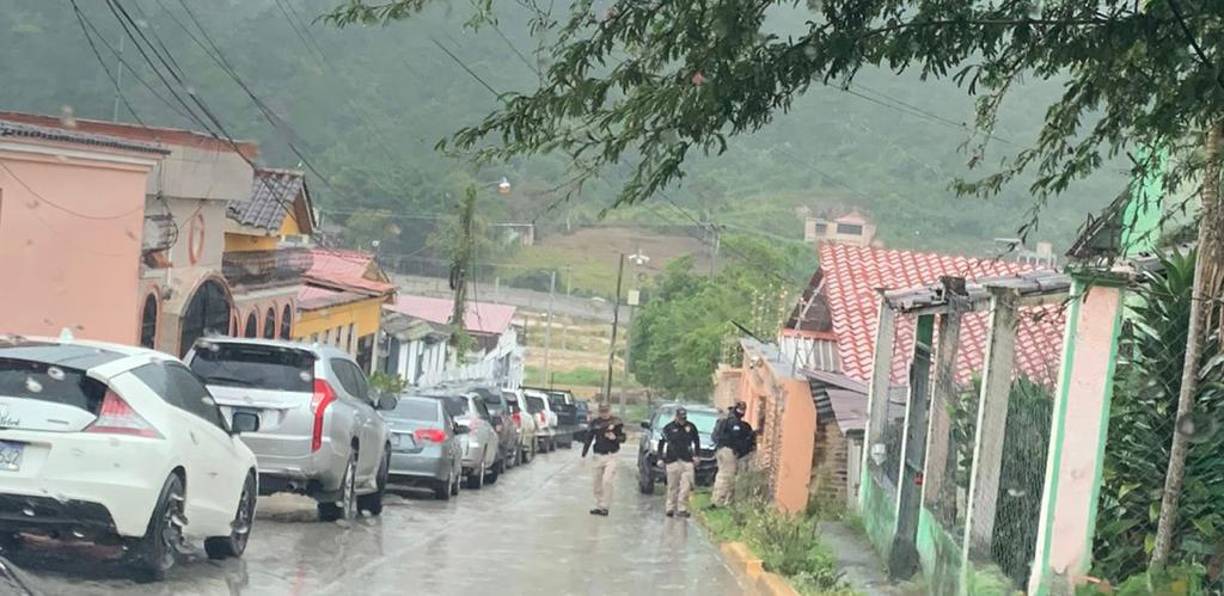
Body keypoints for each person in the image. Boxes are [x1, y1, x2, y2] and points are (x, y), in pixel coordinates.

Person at [581, 403, 625, 516]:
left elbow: (623, 438)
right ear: (599, 412)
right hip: (598, 455)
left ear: (610, 411)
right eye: (602, 411)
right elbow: (589, 439)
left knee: (607, 480)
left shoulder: (617, 422)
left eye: (606, 411)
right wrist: (583, 455)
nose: (604, 414)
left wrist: (615, 438)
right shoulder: (595, 423)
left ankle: (605, 506)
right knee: (596, 483)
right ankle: (599, 505)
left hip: (612, 455)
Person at [657, 407, 701, 518]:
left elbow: (696, 441)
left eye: (684, 418)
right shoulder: (668, 428)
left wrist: (696, 455)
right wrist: (660, 458)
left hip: (687, 460)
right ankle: (670, 508)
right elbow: (661, 444)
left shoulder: (691, 427)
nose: (682, 420)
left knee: (686, 486)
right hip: (672, 460)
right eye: (680, 418)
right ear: (676, 417)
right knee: (672, 486)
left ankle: (682, 508)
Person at [710, 401, 755, 508]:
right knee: (726, 476)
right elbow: (736, 439)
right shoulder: (733, 423)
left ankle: (724, 500)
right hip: (728, 451)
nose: (743, 412)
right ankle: (718, 501)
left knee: (725, 475)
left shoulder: (727, 422)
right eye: (741, 409)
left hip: (723, 451)